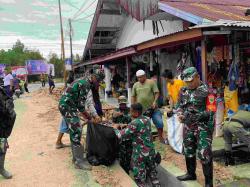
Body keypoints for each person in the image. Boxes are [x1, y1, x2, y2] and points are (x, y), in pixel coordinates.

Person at [175, 67, 214, 187]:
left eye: (190, 81)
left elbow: (211, 110)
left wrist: (200, 115)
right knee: (188, 150)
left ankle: (208, 183)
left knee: (204, 153)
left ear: (197, 77)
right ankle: (191, 174)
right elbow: (179, 106)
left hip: (203, 127)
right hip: (188, 126)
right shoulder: (183, 90)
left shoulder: (208, 91)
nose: (188, 84)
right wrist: (180, 114)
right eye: (186, 82)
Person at [58, 73, 102, 170]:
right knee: (77, 130)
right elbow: (81, 106)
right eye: (98, 81)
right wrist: (90, 118)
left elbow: (80, 104)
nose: (97, 84)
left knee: (75, 130)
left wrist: (90, 117)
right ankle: (79, 161)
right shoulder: (85, 84)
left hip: (67, 106)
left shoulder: (83, 80)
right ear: (94, 78)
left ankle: (76, 158)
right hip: (67, 107)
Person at [113, 103, 160, 187]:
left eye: (131, 111)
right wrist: (127, 126)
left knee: (140, 179)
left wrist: (115, 128)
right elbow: (139, 130)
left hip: (140, 154)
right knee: (153, 176)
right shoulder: (147, 120)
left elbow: (120, 135)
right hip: (151, 152)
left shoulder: (134, 123)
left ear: (136, 112)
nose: (130, 113)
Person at [131, 70, 165, 144]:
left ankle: (160, 137)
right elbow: (133, 96)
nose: (140, 79)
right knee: (144, 125)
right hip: (142, 110)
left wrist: (155, 101)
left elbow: (157, 92)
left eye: (141, 77)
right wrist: (133, 106)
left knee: (159, 122)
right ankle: (147, 138)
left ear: (145, 76)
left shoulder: (151, 82)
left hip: (153, 108)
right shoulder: (135, 85)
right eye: (138, 78)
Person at [112, 96, 132, 174]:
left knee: (129, 153)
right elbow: (113, 123)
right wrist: (114, 117)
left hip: (128, 135)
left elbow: (132, 121)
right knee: (121, 153)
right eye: (121, 104)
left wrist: (124, 123)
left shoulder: (130, 110)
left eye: (124, 104)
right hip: (120, 135)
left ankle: (129, 167)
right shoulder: (116, 111)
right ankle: (124, 170)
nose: (123, 105)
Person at [0, 85, 16, 179]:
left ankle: (1, 168)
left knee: (3, 145)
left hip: (2, 125)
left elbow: (8, 99)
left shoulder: (1, 90)